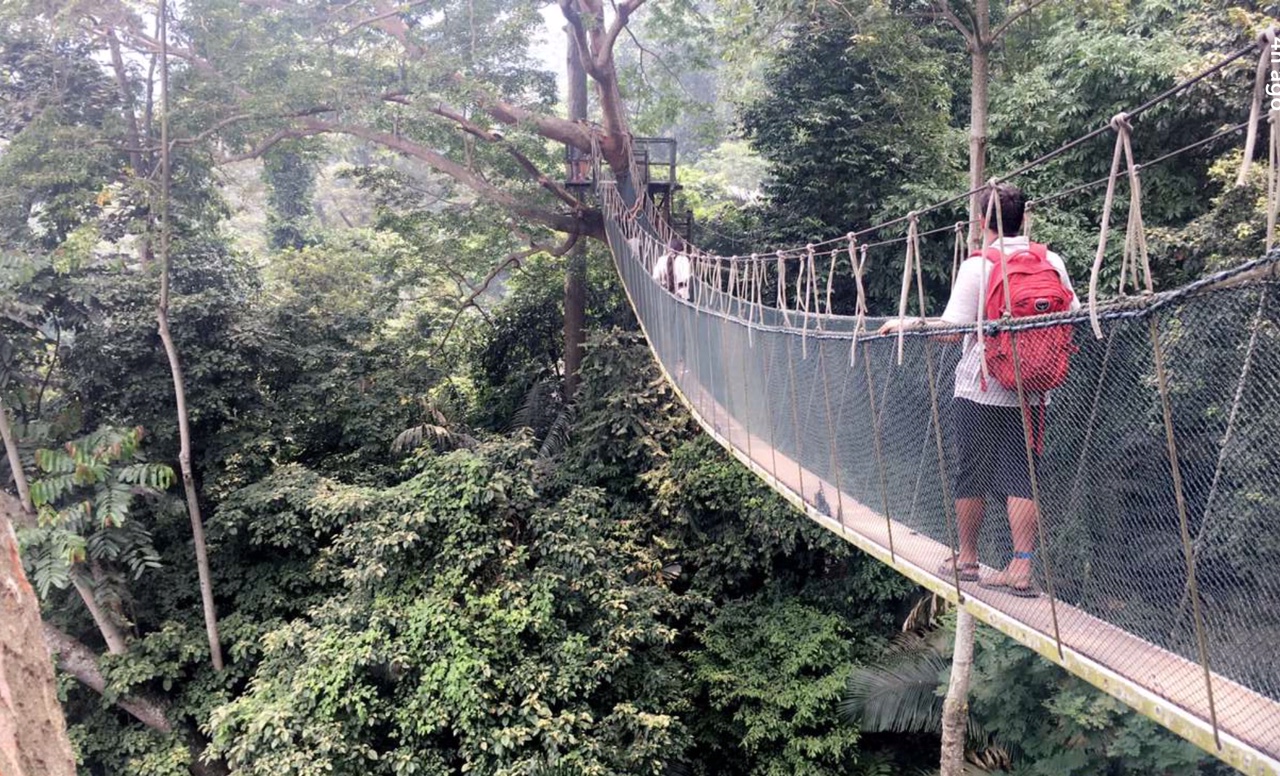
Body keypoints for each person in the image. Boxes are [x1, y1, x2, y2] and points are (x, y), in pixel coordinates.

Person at [878, 184, 1079, 597]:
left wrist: (908, 325)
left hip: (981, 387)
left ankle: (968, 559)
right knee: (1022, 474)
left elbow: (952, 333)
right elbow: (1071, 313)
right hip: (1034, 390)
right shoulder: (1051, 260)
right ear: (1024, 218)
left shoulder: (979, 265)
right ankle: (1021, 568)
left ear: (983, 221)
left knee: (972, 472)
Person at [651, 236, 691, 300]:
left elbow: (655, 277)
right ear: (681, 250)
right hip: (681, 294)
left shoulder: (661, 259)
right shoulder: (684, 260)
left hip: (665, 293)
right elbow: (686, 277)